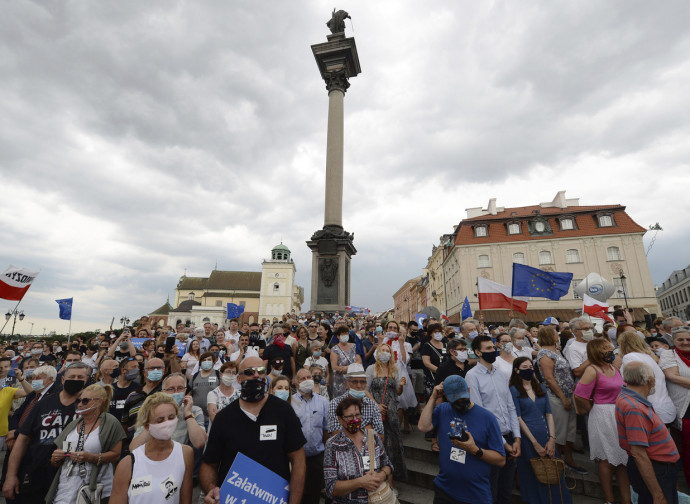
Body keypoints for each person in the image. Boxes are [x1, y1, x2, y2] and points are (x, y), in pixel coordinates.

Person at [200, 356, 306, 504]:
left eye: (261, 371)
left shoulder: (284, 411)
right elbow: (209, 464)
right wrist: (211, 488)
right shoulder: (224, 418)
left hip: (275, 498)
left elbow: (298, 460)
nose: (256, 375)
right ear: (239, 379)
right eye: (249, 372)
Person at [3, 362, 90, 502]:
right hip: (39, 473)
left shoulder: (91, 406)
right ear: (62, 379)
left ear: (86, 379)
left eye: (80, 377)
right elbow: (22, 440)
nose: (75, 379)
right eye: (72, 376)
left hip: (75, 475)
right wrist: (10, 476)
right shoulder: (43, 404)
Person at [418, 375, 506, 504]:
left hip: (475, 495)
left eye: (463, 398)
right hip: (445, 490)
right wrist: (433, 397)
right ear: (446, 397)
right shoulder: (443, 410)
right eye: (455, 399)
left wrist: (475, 450)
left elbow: (501, 460)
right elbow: (423, 426)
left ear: (469, 391)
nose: (460, 402)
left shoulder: (487, 418)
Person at [46, 384, 127, 503]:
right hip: (66, 488)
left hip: (95, 490)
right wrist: (55, 458)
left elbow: (116, 455)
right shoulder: (73, 424)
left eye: (85, 401)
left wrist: (91, 457)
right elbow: (57, 460)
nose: (79, 404)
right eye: (78, 400)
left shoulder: (110, 422)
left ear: (99, 402)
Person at [109, 392, 194, 504]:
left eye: (171, 417)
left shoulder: (185, 453)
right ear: (147, 426)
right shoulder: (128, 464)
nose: (167, 424)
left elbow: (185, 500)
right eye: (160, 420)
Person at [465, 335, 520, 504]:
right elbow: (480, 414)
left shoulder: (500, 374)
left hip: (509, 436)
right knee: (492, 488)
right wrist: (504, 443)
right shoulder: (472, 376)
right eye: (487, 348)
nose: (493, 351)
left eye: (492, 347)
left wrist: (517, 438)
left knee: (506, 488)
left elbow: (510, 406)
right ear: (477, 352)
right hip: (491, 441)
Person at [574, 338, 630, 504]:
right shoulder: (592, 370)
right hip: (603, 414)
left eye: (609, 347)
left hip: (618, 413)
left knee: (622, 459)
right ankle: (609, 499)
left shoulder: (614, 367)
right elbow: (579, 395)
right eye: (605, 348)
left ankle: (627, 501)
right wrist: (593, 409)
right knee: (606, 459)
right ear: (596, 352)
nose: (609, 350)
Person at [509, 358, 572, 504]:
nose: (529, 369)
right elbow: (518, 418)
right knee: (533, 474)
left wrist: (552, 438)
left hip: (546, 435)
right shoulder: (513, 390)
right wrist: (534, 443)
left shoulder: (541, 388)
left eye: (531, 366)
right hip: (528, 438)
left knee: (553, 472)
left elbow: (549, 414)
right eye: (524, 367)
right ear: (517, 370)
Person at [616, 362, 680, 504]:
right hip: (656, 468)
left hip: (657, 467)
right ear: (649, 380)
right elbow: (639, 453)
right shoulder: (634, 408)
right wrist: (658, 495)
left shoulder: (628, 398)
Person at [535, 326, 586, 474]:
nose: (557, 335)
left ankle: (569, 459)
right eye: (554, 333)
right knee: (558, 431)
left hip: (568, 396)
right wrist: (563, 398)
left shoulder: (557, 351)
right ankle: (557, 461)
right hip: (556, 397)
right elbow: (549, 378)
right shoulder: (545, 353)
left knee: (570, 430)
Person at [323, 397, 393, 504]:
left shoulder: (372, 437)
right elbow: (331, 488)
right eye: (350, 417)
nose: (355, 420)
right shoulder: (333, 445)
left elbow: (387, 465)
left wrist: (381, 475)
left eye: (357, 415)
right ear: (340, 420)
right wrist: (360, 482)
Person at [130, 373, 206, 451]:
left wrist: (188, 414)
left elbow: (199, 443)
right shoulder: (150, 411)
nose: (176, 392)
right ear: (163, 392)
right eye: (171, 389)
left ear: (185, 390)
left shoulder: (194, 410)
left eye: (180, 388)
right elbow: (134, 448)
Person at [365, 343, 407, 482]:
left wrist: (400, 385)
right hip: (376, 410)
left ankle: (392, 477)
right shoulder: (371, 369)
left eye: (387, 350)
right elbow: (365, 389)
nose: (385, 352)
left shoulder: (393, 370)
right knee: (377, 442)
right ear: (378, 353)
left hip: (392, 412)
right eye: (382, 350)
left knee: (392, 443)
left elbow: (397, 392)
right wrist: (376, 405)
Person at [618, 331, 676, 426]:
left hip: (651, 411)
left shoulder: (629, 357)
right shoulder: (648, 357)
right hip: (665, 409)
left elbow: (638, 383)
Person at [292, 368, 329, 504]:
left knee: (314, 495)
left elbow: (326, 430)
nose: (307, 380)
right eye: (303, 378)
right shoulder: (290, 402)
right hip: (295, 457)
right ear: (296, 383)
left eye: (309, 377)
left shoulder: (323, 402)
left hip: (316, 457)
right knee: (297, 493)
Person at [659, 326, 690, 484]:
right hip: (685, 409)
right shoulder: (668, 354)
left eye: (688, 339)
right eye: (680, 339)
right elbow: (672, 376)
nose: (685, 342)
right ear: (673, 340)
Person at [327, 364, 385, 438]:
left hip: (368, 449)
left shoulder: (372, 405)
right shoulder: (335, 404)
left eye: (362, 382)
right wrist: (368, 429)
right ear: (346, 384)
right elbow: (336, 436)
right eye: (354, 382)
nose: (359, 385)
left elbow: (380, 437)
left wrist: (349, 430)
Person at [121, 358, 165, 445]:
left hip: (159, 444)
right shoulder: (133, 395)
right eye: (152, 368)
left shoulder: (166, 394)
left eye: (159, 368)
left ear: (164, 371)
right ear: (144, 372)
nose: (155, 370)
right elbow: (125, 424)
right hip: (134, 445)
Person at [189, 351, 220, 425]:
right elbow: (189, 393)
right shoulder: (195, 376)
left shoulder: (218, 375)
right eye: (204, 360)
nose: (206, 362)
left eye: (209, 360)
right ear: (200, 362)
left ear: (214, 362)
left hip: (213, 416)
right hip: (196, 416)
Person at [331, 326, 361, 397]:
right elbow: (334, 367)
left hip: (354, 380)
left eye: (346, 334)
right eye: (343, 334)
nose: (345, 335)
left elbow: (359, 361)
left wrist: (346, 368)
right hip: (340, 382)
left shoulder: (354, 346)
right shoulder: (334, 349)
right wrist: (353, 367)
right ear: (338, 336)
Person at [422, 323, 448, 399]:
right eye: (436, 332)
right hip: (433, 378)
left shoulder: (446, 344)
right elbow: (427, 363)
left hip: (446, 377)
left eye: (440, 331)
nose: (438, 334)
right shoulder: (427, 346)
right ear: (430, 333)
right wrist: (440, 371)